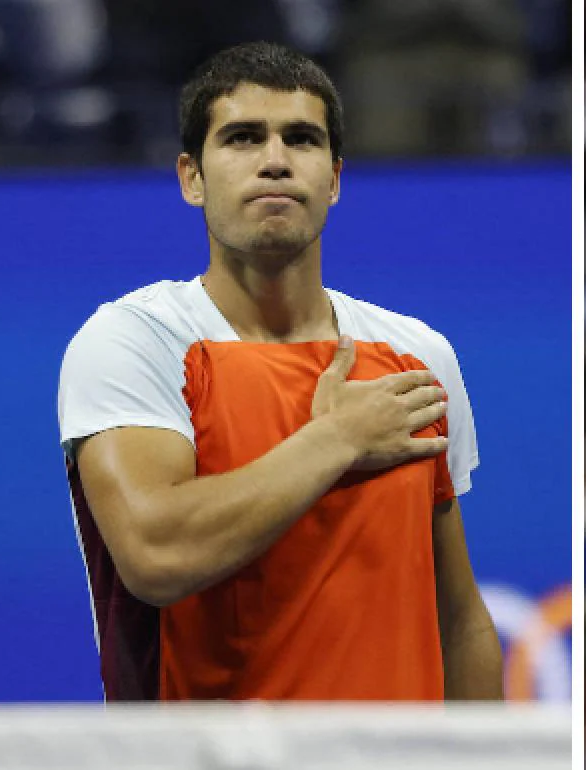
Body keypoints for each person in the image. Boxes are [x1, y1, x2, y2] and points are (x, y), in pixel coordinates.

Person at [57, 42, 502, 701]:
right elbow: (155, 554)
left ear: (334, 179)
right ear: (192, 178)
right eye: (242, 138)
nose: (274, 161)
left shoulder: (417, 355)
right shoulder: (134, 342)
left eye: (301, 139)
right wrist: (335, 441)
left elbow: (457, 614)